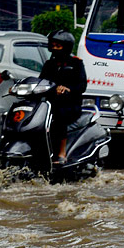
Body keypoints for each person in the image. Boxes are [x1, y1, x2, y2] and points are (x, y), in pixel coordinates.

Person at [38, 29, 88, 164]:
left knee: (59, 117)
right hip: (50, 103)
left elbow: (82, 86)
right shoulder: (49, 64)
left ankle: (61, 153)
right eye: (53, 45)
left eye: (58, 46)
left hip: (69, 104)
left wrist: (68, 89)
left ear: (66, 47)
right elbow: (41, 81)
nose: (54, 48)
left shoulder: (76, 63)